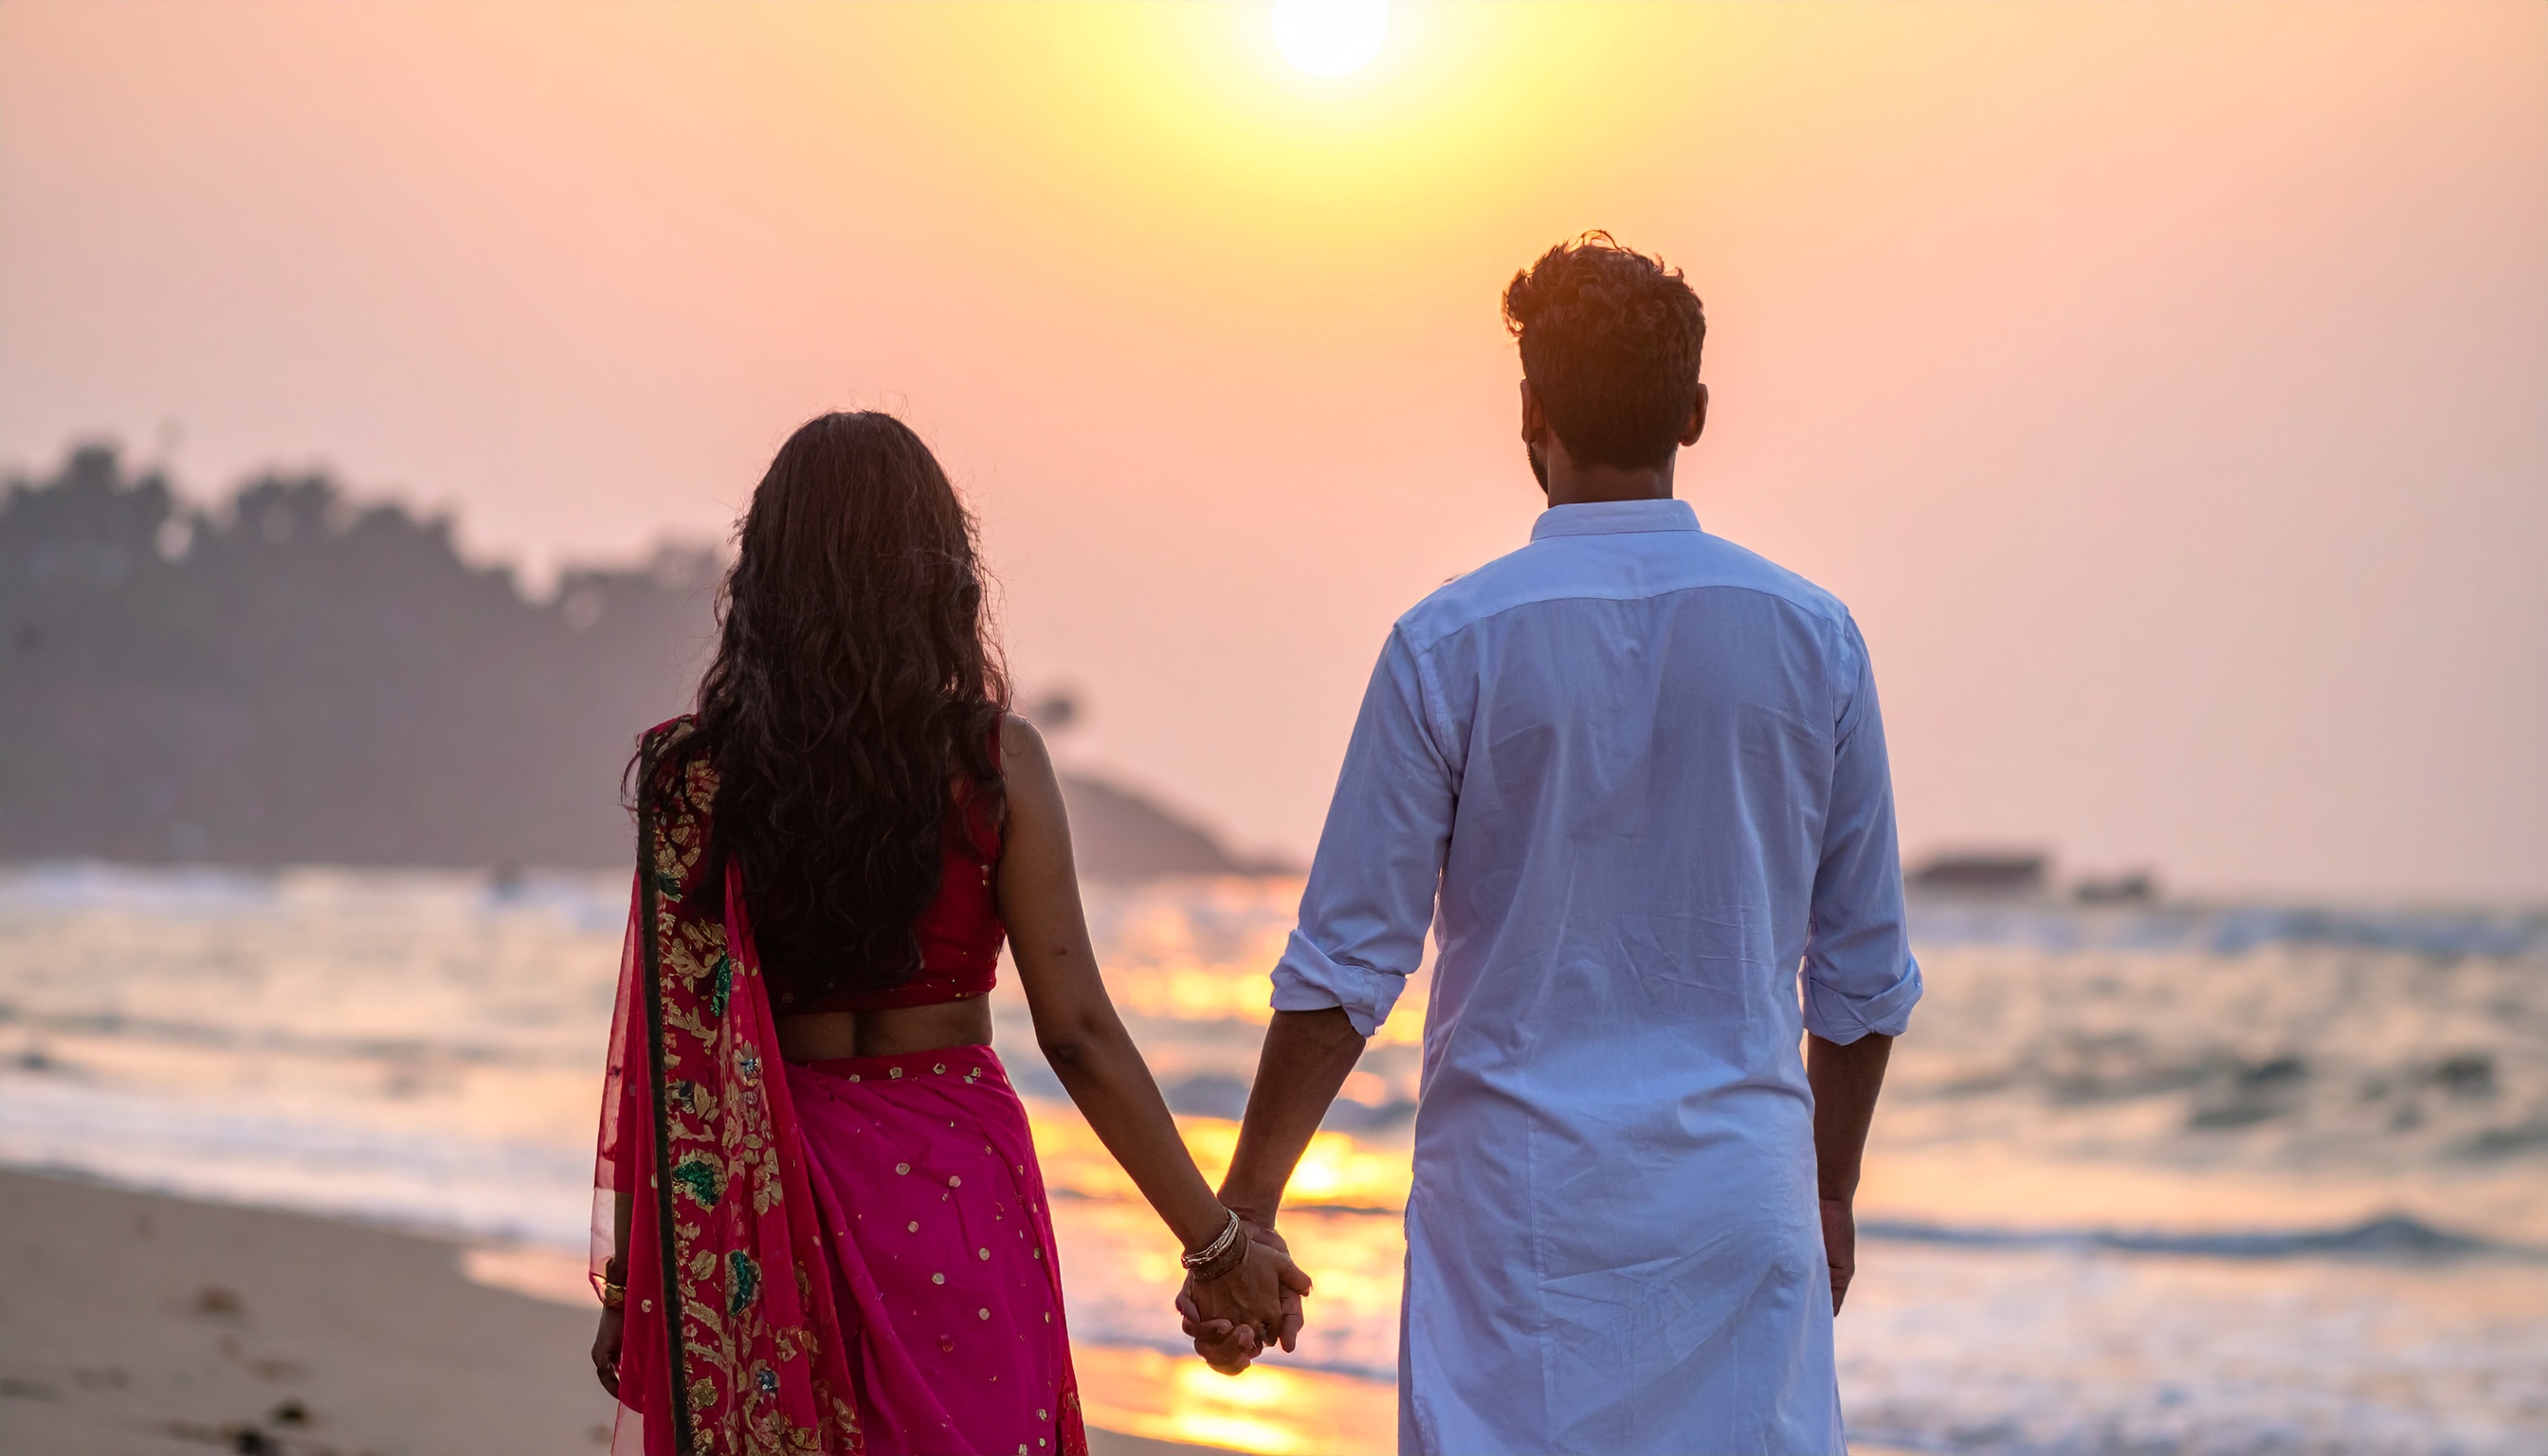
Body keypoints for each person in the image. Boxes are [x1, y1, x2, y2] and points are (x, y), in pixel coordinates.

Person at [1184, 234, 1921, 1454]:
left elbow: (1346, 966)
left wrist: (1246, 1213)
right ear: (1695, 411)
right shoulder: (1813, 638)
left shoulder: (1448, 644)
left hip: (1514, 1218)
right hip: (1739, 1205)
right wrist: (1827, 1191)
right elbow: (1862, 979)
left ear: (1531, 411)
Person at [586, 411, 1307, 1455]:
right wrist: (1217, 1243)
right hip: (956, 1181)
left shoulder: (696, 780)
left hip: (771, 1196)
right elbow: (1079, 1035)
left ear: (766, 579)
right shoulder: (995, 765)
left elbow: (671, 1058)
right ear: (940, 573)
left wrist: (636, 1283)